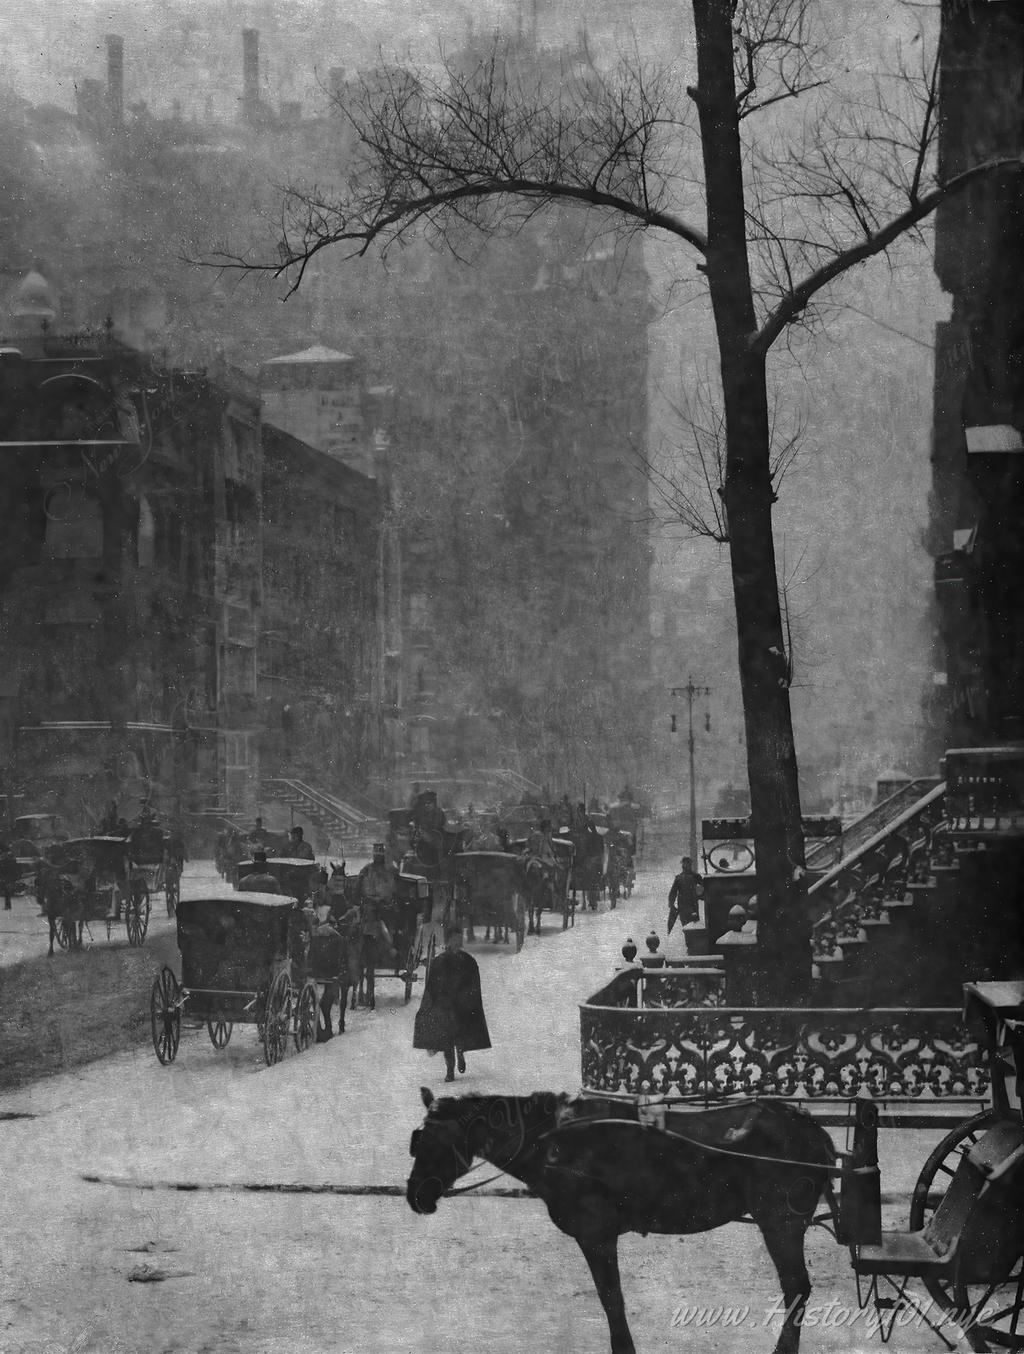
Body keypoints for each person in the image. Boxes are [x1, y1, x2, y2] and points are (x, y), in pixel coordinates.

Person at [413, 926, 491, 1082]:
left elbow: (474, 985)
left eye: (458, 939)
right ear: (448, 942)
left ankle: (461, 1053)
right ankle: (450, 1070)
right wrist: (432, 1004)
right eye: (453, 940)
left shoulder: (468, 961)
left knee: (459, 1035)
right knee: (447, 1038)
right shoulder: (439, 961)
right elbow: (432, 986)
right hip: (445, 1006)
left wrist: (468, 1000)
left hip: (462, 1005)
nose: (456, 943)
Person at [356, 843, 399, 1011]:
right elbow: (358, 889)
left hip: (385, 907)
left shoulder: (390, 871)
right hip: (368, 907)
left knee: (385, 924)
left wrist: (383, 900)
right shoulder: (366, 870)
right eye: (376, 853)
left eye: (380, 853)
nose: (378, 856)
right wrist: (365, 900)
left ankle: (390, 947)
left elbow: (393, 890)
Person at [667, 857, 704, 933]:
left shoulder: (696, 876)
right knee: (687, 926)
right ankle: (690, 941)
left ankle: (692, 941)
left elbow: (703, 888)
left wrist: (699, 895)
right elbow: (673, 892)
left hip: (691, 906)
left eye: (686, 863)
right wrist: (671, 903)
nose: (685, 865)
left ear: (690, 865)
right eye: (684, 864)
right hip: (684, 906)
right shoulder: (679, 878)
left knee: (694, 925)